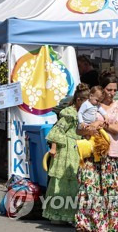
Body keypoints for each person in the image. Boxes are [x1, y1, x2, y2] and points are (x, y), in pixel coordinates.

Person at [75, 75, 118, 231]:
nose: (112, 93)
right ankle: (90, 224)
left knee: (111, 191)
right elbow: (79, 129)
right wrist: (89, 127)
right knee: (90, 190)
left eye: (115, 90)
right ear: (102, 90)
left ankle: (112, 225)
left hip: (109, 153)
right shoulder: (90, 104)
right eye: (109, 89)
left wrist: (101, 124)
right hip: (91, 152)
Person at [42, 83, 87, 224]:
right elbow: (57, 131)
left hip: (79, 149)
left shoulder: (86, 113)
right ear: (79, 100)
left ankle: (71, 214)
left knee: (75, 182)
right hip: (66, 149)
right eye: (85, 101)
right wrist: (54, 148)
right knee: (62, 181)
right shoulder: (70, 114)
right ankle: (57, 214)